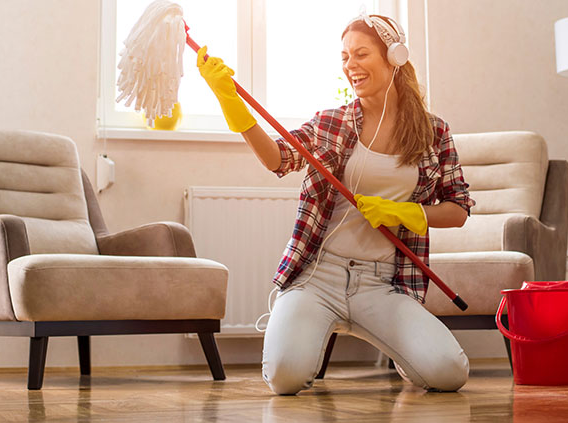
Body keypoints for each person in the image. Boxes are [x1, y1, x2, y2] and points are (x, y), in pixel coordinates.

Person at [197, 11, 475, 395]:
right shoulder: (333, 122)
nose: (350, 66)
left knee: (448, 373)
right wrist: (229, 101)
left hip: (381, 284)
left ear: (393, 57)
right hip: (318, 277)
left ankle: (401, 344)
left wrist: (404, 212)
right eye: (345, 57)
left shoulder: (433, 131)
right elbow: (277, 158)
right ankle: (304, 321)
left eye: (361, 54)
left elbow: (458, 210)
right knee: (285, 378)